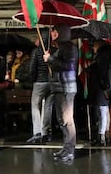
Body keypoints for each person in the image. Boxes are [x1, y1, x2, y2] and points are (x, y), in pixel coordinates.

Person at [44, 23, 78, 162]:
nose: (52, 33)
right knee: (61, 120)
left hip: (65, 88)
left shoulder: (69, 48)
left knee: (67, 120)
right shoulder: (61, 48)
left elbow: (68, 66)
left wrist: (50, 59)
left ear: (60, 33)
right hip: (58, 88)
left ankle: (70, 151)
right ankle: (66, 148)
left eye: (54, 31)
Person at [26, 30, 54, 144]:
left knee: (35, 107)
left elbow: (32, 68)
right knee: (47, 108)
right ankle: (45, 132)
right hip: (52, 82)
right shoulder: (54, 51)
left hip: (39, 82)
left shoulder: (36, 51)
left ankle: (37, 132)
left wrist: (32, 80)